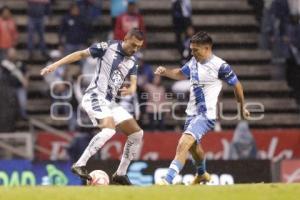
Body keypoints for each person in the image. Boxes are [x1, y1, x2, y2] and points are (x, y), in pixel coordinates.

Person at [40, 28, 145, 185]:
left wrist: (130, 89)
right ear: (125, 38)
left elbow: (134, 84)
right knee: (109, 130)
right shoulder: (107, 47)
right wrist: (56, 64)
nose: (135, 49)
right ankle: (79, 164)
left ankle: (121, 173)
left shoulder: (132, 61)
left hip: (110, 103)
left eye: (139, 47)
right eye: (133, 45)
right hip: (94, 97)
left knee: (137, 133)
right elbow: (81, 54)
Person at [154, 31, 250, 185]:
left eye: (195, 50)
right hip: (191, 114)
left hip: (206, 115)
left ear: (207, 48)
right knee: (193, 148)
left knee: (183, 142)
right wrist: (166, 72)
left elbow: (237, 85)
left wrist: (242, 107)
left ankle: (168, 179)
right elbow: (180, 74)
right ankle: (202, 174)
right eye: (191, 49)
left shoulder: (220, 66)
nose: (192, 53)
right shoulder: (193, 61)